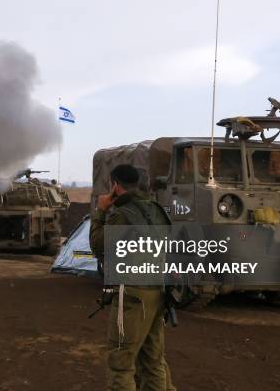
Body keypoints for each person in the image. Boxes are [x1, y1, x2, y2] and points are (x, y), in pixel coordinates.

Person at [89, 164, 176, 391]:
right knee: (153, 360)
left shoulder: (122, 215)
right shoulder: (156, 209)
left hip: (132, 295)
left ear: (115, 186)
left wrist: (100, 212)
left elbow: (99, 247)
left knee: (121, 362)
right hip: (158, 292)